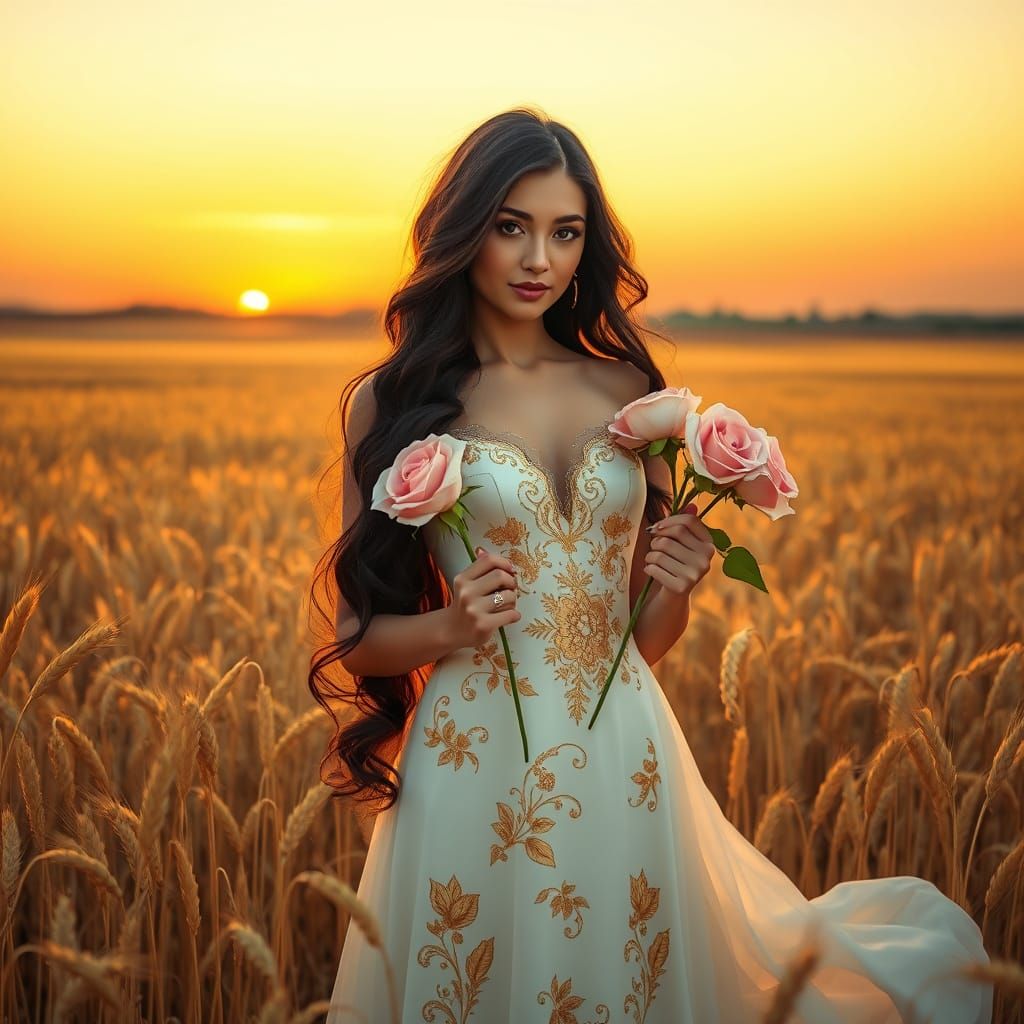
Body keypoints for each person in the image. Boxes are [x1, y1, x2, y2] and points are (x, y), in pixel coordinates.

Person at [309, 108, 993, 1023]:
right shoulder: (394, 404)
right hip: (471, 760)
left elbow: (642, 640)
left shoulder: (629, 393)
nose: (537, 259)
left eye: (565, 231)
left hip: (622, 747)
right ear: (464, 231)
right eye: (511, 227)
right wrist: (448, 627)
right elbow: (358, 643)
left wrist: (675, 583)